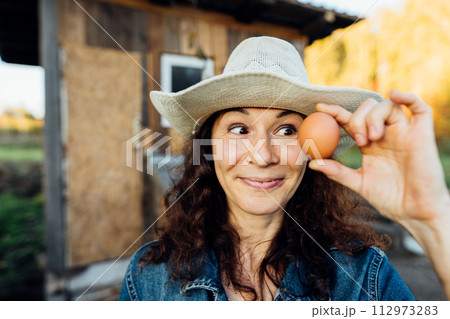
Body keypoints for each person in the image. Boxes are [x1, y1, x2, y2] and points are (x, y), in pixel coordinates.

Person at [118, 36, 450, 301]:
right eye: (239, 129)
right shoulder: (148, 280)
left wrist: (434, 218)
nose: (262, 157)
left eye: (287, 130)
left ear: (311, 149)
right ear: (210, 147)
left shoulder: (363, 279)